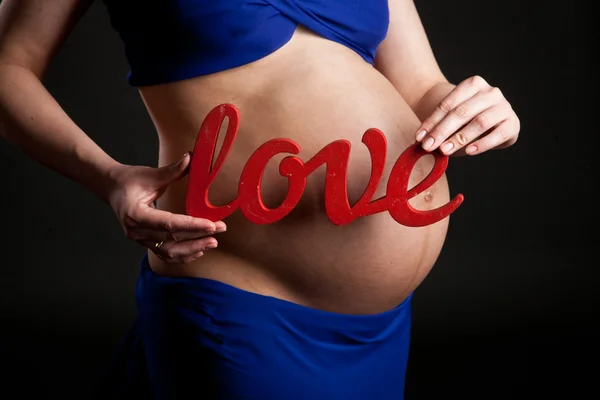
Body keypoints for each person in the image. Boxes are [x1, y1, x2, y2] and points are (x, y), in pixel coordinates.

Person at [0, 0, 520, 398]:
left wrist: (479, 109)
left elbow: (421, 84)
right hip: (243, 300)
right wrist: (108, 178)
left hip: (380, 327)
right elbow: (8, 66)